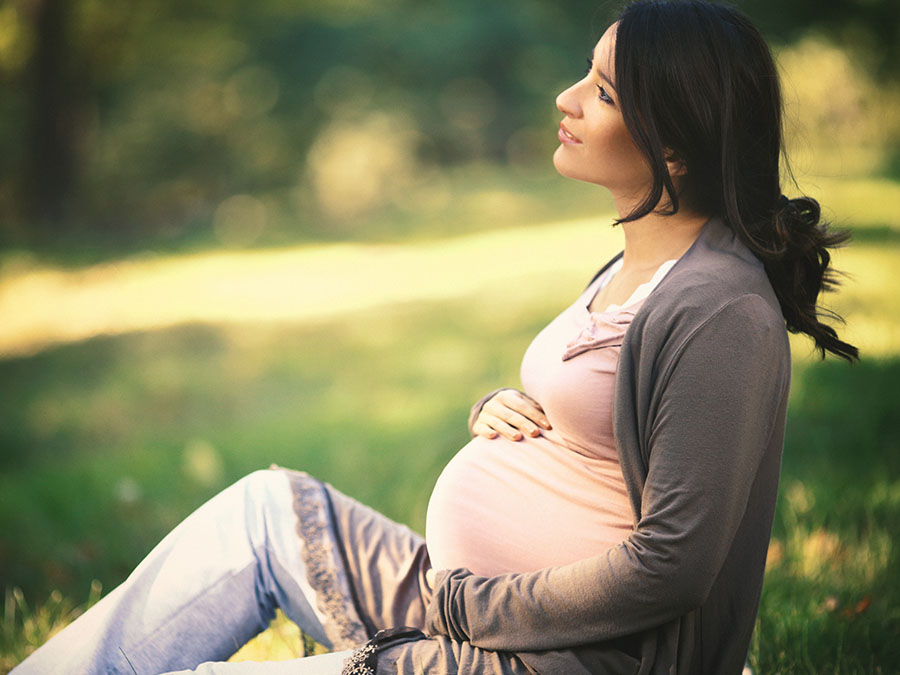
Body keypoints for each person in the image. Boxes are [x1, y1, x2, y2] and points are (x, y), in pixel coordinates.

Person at [13, 1, 858, 674]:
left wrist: (467, 609)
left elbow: (674, 565)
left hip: (556, 656)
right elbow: (598, 420)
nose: (566, 98)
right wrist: (501, 408)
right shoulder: (640, 262)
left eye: (602, 91)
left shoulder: (722, 311)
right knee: (262, 510)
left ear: (674, 143)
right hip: (479, 607)